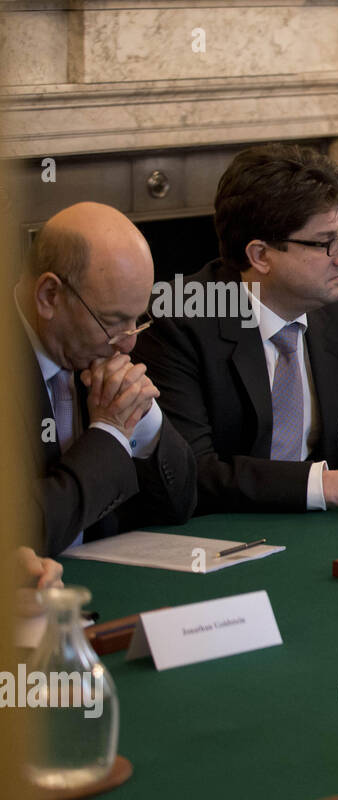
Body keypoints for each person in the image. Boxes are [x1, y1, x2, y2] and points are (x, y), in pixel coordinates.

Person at [134, 144, 338, 514]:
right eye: (327, 243)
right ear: (260, 256)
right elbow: (194, 473)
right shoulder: (178, 322)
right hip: (220, 540)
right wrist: (330, 486)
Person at [12, 202, 197, 555]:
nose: (130, 342)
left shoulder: (97, 347)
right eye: (113, 321)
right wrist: (110, 433)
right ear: (49, 296)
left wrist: (141, 420)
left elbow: (180, 506)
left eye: (137, 319)